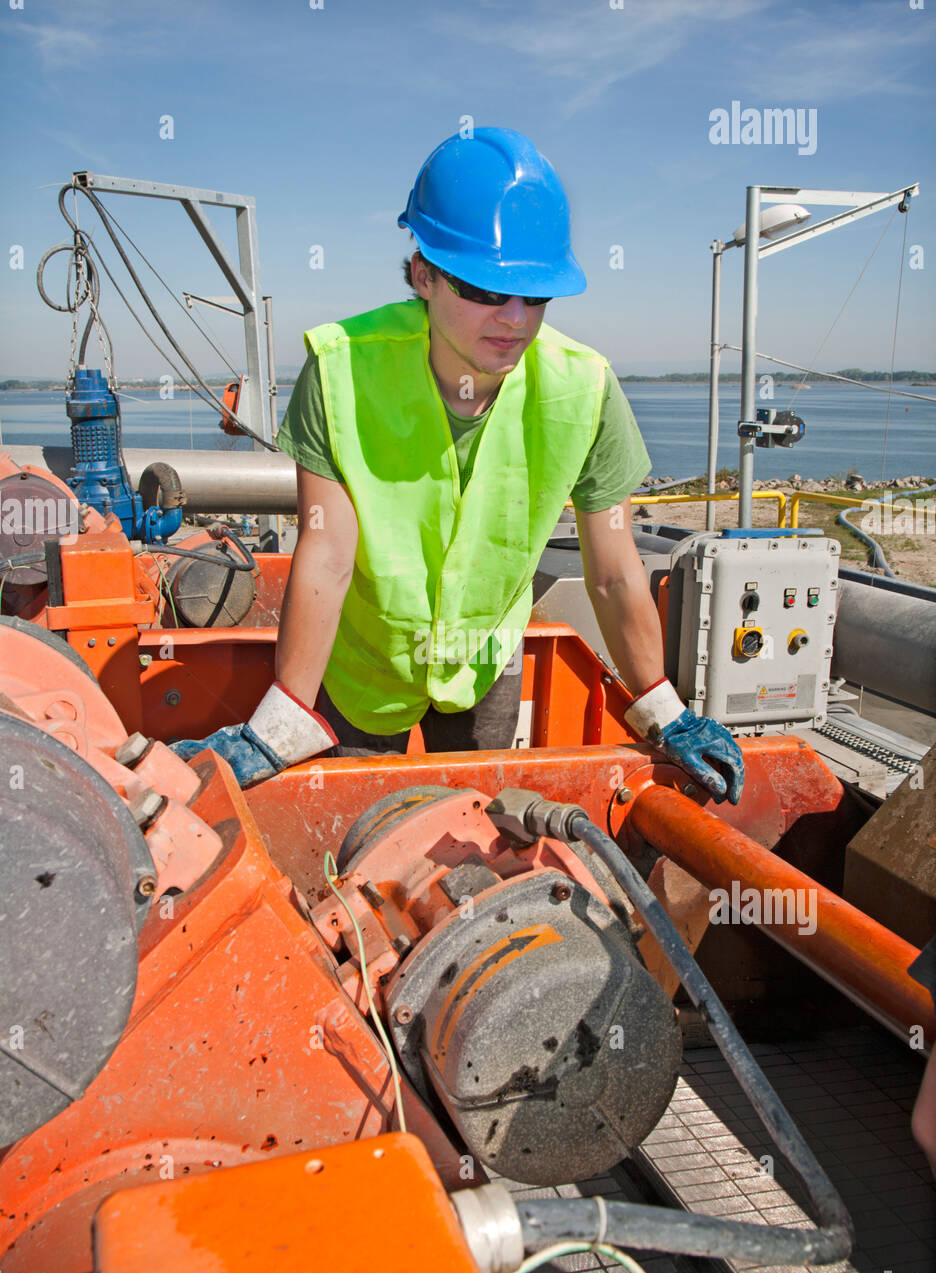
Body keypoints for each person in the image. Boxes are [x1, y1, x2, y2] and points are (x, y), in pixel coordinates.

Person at [172, 128, 744, 806]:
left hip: (482, 662)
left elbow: (616, 568)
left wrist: (660, 708)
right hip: (366, 661)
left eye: (534, 296)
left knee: (474, 832)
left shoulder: (584, 392)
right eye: (484, 290)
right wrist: (283, 717)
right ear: (423, 275)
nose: (512, 319)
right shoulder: (341, 374)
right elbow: (327, 552)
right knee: (354, 831)